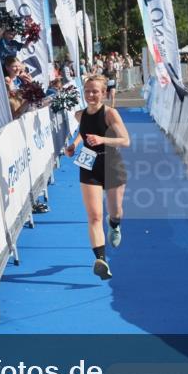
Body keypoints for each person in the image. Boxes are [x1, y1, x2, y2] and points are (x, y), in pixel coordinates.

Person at [64, 75, 130, 281]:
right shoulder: (78, 115)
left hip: (111, 163)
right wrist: (74, 144)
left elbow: (125, 140)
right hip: (88, 162)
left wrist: (102, 139)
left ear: (103, 93)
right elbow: (84, 133)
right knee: (94, 216)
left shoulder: (110, 113)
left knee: (115, 210)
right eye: (87, 91)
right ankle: (101, 260)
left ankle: (115, 224)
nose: (91, 95)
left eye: (95, 91)